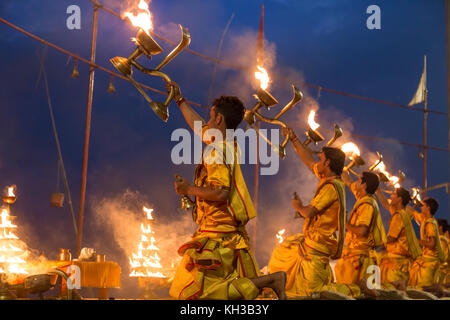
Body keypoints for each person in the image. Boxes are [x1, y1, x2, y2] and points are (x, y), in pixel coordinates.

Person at [166, 81, 286, 300]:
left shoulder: (216, 149)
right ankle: (266, 282)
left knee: (198, 293)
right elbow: (201, 128)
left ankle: (271, 280)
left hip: (218, 235)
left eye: (211, 117)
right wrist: (179, 100)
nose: (208, 121)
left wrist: (188, 189)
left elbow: (221, 193)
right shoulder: (227, 141)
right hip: (223, 232)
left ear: (219, 119)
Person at [268, 127, 351, 297]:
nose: (317, 163)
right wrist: (294, 139)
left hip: (317, 251)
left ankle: (356, 289)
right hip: (310, 245)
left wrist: (298, 206)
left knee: (316, 293)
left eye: (320, 159)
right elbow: (308, 161)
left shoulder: (332, 187)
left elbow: (311, 212)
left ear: (327, 163)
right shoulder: (327, 178)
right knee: (282, 254)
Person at [336, 171, 387, 287]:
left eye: (359, 180)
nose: (356, 182)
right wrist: (343, 170)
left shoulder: (367, 204)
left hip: (359, 261)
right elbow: (349, 183)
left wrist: (345, 223)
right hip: (354, 257)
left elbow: (362, 231)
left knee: (353, 293)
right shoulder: (362, 198)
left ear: (364, 185)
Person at [376, 187, 421, 290]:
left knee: (391, 292)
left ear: (399, 199)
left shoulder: (399, 215)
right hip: (399, 263)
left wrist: (373, 242)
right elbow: (385, 204)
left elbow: (391, 238)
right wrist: (378, 191)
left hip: (396, 265)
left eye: (393, 194)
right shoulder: (402, 212)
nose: (390, 196)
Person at [407, 198, 445, 289]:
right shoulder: (424, 219)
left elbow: (432, 244)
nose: (421, 207)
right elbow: (413, 212)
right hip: (425, 259)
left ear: (428, 208)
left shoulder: (430, 223)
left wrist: (417, 241)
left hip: (430, 261)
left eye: (423, 205)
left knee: (424, 289)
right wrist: (405, 200)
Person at [437, 219, 450, 287]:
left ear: (440, 227)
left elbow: (444, 259)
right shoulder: (442, 240)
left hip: (441, 275)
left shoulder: (442, 241)